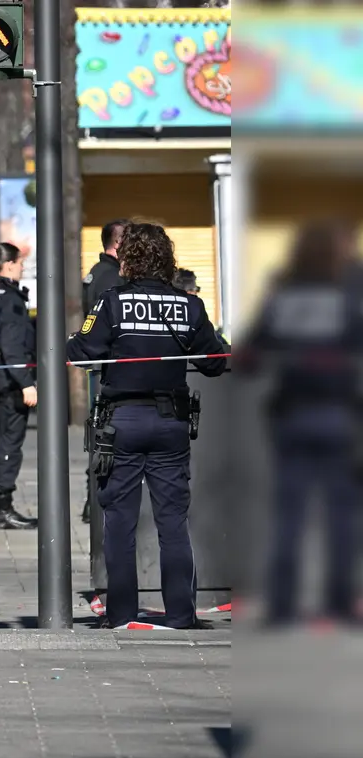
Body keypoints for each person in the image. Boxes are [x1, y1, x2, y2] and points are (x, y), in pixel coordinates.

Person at [68, 222, 228, 629]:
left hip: (122, 421)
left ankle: (121, 615)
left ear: (127, 259)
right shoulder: (188, 306)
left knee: (119, 523)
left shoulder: (111, 302)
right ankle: (180, 614)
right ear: (167, 259)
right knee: (172, 522)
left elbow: (81, 352)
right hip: (170, 422)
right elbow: (215, 363)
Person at [238, 220, 363, 626]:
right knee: (341, 515)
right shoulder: (350, 289)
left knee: (288, 515)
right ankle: (339, 602)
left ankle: (282, 606)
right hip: (340, 414)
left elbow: (252, 352)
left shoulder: (284, 290)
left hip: (291, 415)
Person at [0, 243, 38, 529]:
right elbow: (12, 346)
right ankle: (2, 508)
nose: (23, 267)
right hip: (8, 381)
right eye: (21, 263)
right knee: (8, 444)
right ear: (10, 264)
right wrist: (26, 383)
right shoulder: (11, 299)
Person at [80, 219, 129, 523]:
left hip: (100, 366)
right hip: (109, 369)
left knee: (101, 434)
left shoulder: (97, 273)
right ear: (117, 243)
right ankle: (95, 503)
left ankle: (91, 502)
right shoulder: (111, 278)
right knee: (106, 436)